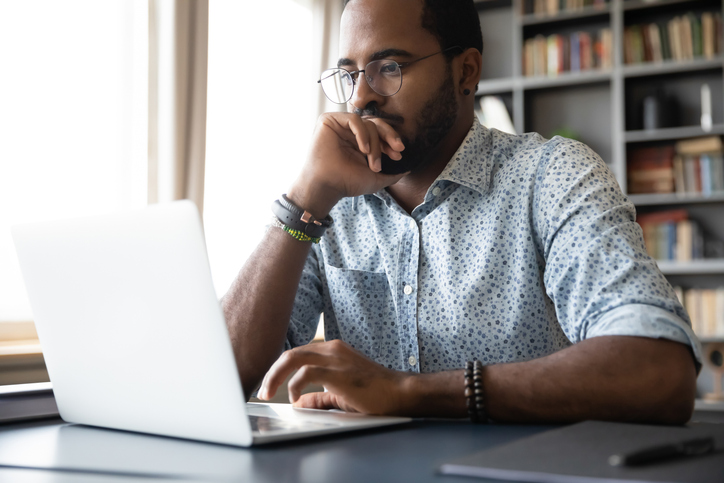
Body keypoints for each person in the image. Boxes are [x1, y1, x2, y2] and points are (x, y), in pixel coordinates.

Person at [221, 0, 701, 423]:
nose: (361, 96)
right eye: (350, 74)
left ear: (466, 72)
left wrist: (407, 393)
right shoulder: (328, 204)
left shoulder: (549, 176)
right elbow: (222, 377)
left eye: (389, 67)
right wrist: (302, 202)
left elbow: (656, 369)